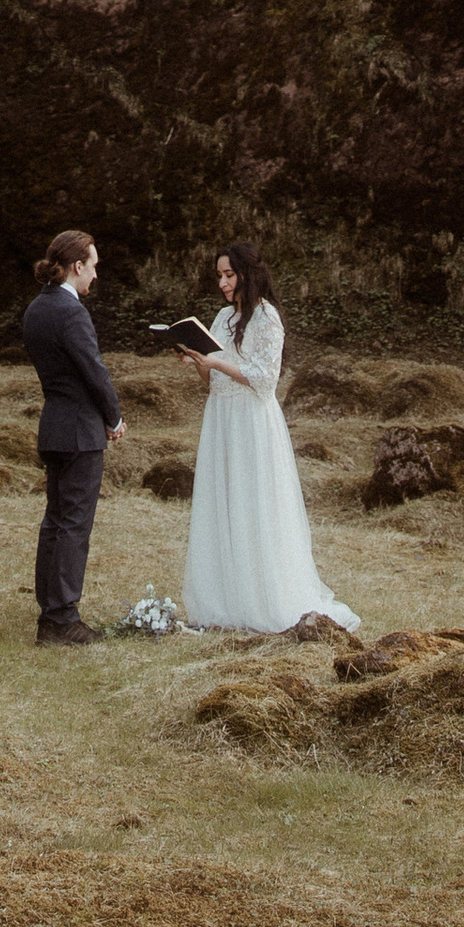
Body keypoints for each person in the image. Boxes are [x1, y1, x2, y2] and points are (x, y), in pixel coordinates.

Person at [173, 240, 360, 634]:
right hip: (221, 417)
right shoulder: (223, 316)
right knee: (222, 501)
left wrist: (218, 362)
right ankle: (225, 599)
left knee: (253, 503)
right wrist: (198, 361)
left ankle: (264, 595)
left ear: (247, 274)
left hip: (252, 421)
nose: (223, 283)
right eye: (219, 276)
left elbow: (265, 379)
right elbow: (212, 379)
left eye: (229, 275)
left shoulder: (266, 317)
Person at [21, 226, 125, 645]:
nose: (96, 276)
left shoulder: (35, 310)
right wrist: (114, 417)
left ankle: (51, 614)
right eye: (93, 267)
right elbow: (93, 370)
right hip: (80, 432)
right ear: (76, 266)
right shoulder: (72, 312)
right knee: (74, 525)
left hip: (53, 427)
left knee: (55, 521)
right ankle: (62, 619)